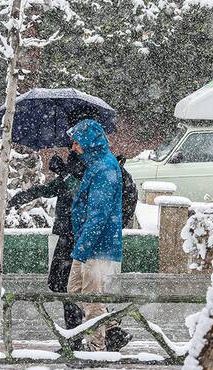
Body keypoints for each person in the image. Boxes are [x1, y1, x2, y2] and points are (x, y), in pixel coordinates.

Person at [8, 152, 86, 349]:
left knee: (71, 288)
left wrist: (66, 173)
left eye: (76, 143)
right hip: (68, 235)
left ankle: (83, 336)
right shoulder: (76, 165)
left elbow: (76, 191)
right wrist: (23, 196)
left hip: (77, 236)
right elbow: (52, 188)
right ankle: (77, 335)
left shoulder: (90, 167)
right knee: (60, 285)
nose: (73, 147)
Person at [67, 119, 124, 352]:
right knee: (75, 289)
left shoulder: (104, 169)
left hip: (96, 246)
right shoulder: (97, 165)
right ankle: (109, 325)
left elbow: (99, 215)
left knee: (90, 297)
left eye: (76, 142)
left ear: (89, 142)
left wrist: (84, 247)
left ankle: (96, 346)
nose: (73, 147)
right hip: (88, 243)